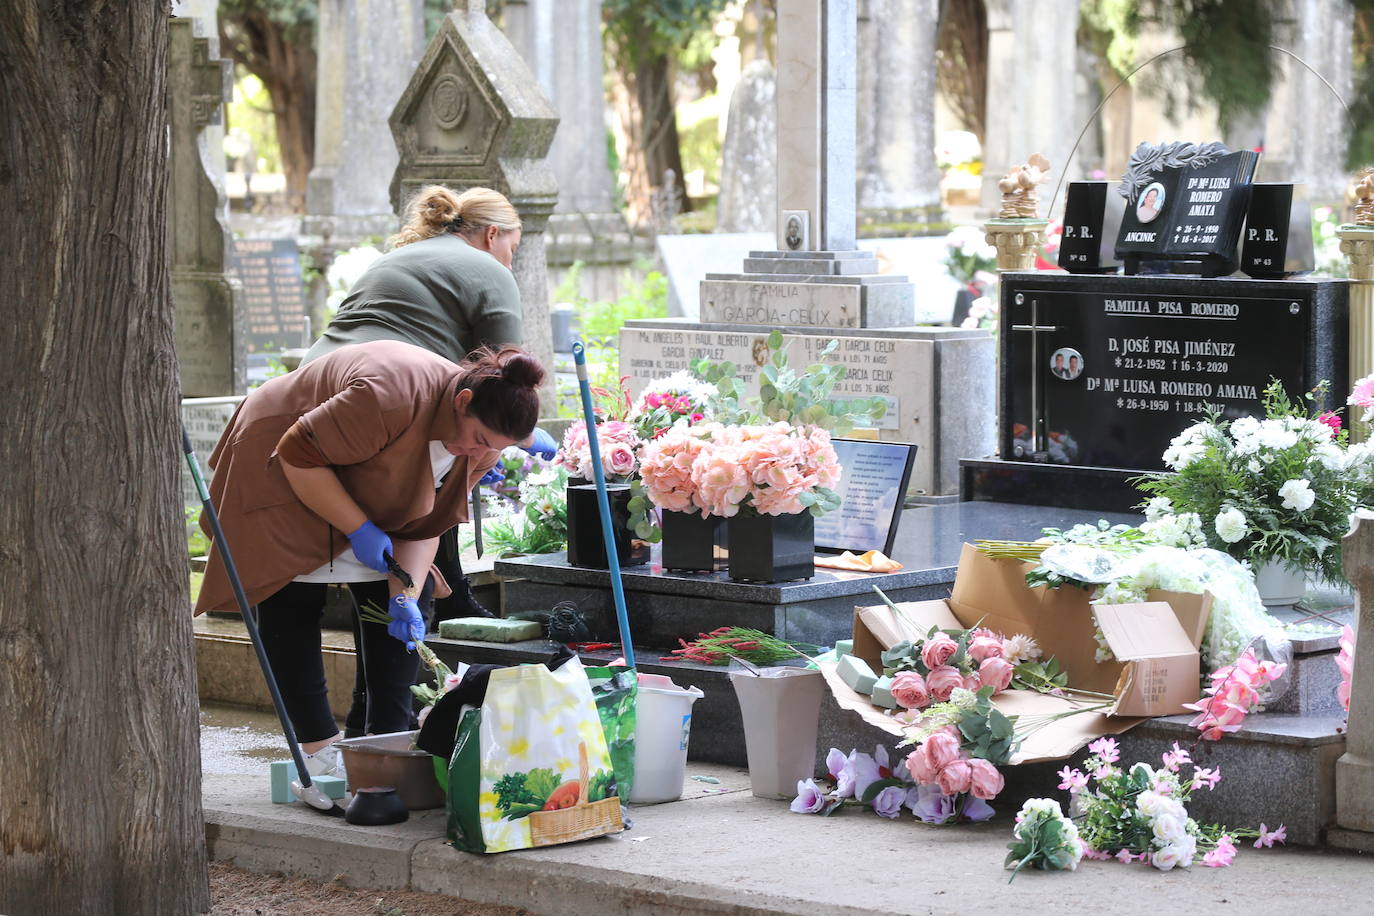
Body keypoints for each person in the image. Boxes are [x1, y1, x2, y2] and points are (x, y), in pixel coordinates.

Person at [195, 341, 544, 774]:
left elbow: (425, 525)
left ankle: (382, 743)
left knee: (390, 607)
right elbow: (297, 453)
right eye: (477, 440)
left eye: (491, 447)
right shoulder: (389, 396)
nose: (479, 453)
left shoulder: (480, 442)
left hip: (365, 470)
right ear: (463, 400)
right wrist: (358, 527)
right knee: (293, 595)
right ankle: (318, 751)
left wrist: (407, 593)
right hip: (284, 461)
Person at [305, 185, 556, 622]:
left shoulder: (404, 256)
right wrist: (524, 435)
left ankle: (441, 600)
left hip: (313, 385)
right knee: (421, 503)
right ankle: (427, 611)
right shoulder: (489, 269)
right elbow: (505, 374)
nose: (511, 261)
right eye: (512, 249)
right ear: (492, 234)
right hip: (382, 396)